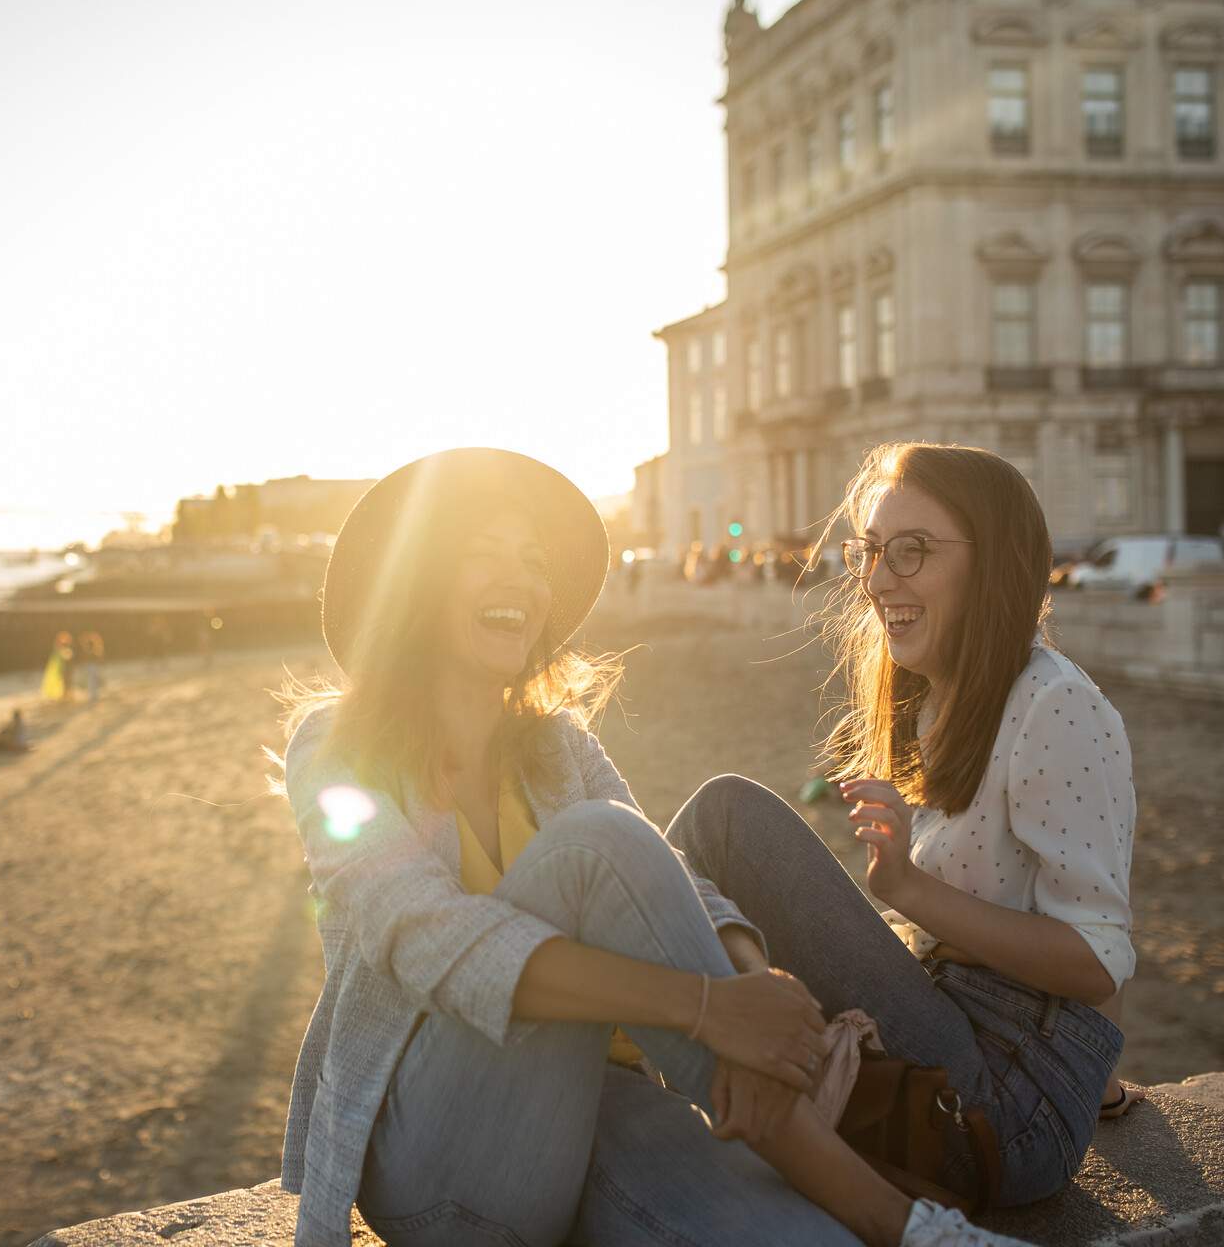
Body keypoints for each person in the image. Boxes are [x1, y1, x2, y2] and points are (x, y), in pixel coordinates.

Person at [274, 448, 1014, 1247]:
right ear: (416, 583)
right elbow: (426, 936)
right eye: (482, 555)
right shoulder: (336, 748)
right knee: (597, 842)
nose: (520, 580)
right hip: (442, 1168)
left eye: (532, 562)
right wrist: (706, 1008)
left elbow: (673, 887)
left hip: (594, 1110)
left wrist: (748, 985)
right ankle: (898, 1221)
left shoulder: (560, 748)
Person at [661, 442, 1136, 1219]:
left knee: (726, 819)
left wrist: (908, 890)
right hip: (963, 1045)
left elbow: (1097, 960)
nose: (879, 581)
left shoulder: (1056, 706)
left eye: (911, 552)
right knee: (718, 854)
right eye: (871, 552)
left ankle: (615, 1042)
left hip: (1000, 1110)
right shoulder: (939, 703)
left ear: (996, 563)